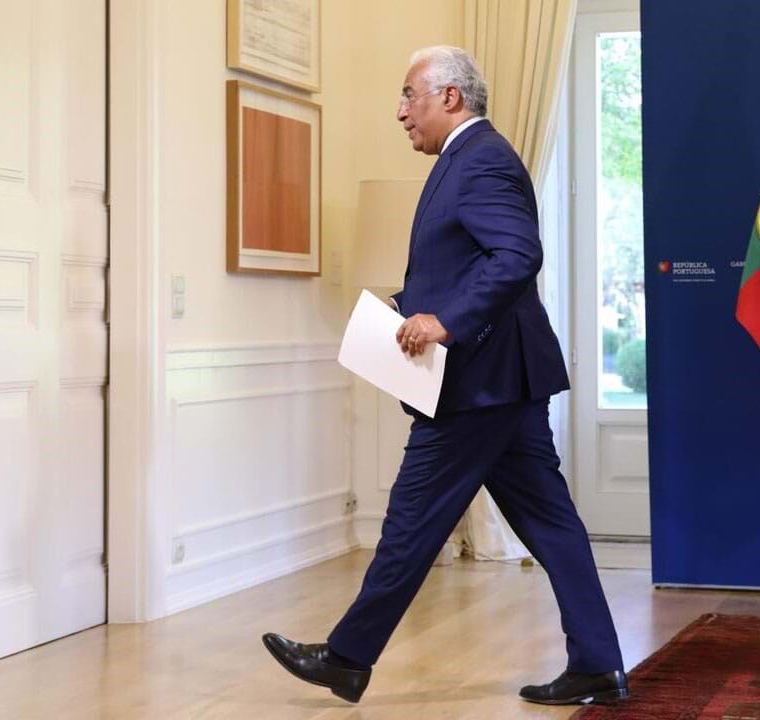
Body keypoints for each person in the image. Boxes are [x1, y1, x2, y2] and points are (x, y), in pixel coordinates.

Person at [261, 47, 628, 706]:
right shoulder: (463, 160)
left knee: (411, 521)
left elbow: (517, 254)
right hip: (503, 381)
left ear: (451, 97)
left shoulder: (480, 159)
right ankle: (598, 663)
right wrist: (410, 307)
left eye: (410, 95)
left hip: (477, 385)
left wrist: (446, 322)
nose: (401, 112)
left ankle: (347, 658)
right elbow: (467, 263)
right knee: (551, 523)